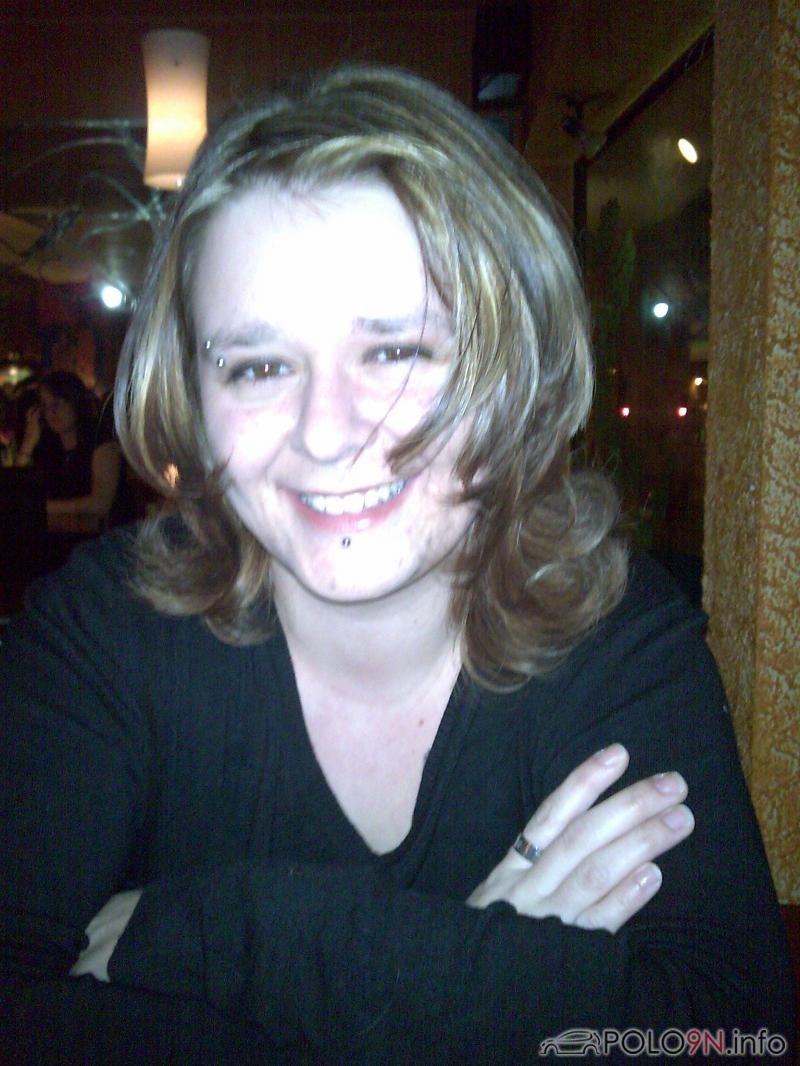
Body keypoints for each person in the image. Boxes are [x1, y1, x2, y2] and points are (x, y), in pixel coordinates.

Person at [0, 65, 793, 1064]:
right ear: (193, 398)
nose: (327, 433)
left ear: (508, 369)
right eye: (259, 366)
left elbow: (732, 1037)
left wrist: (227, 934)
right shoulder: (101, 633)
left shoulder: (615, 638)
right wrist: (477, 984)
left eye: (395, 353)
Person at [14, 370, 131, 566]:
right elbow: (15, 496)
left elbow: (100, 505)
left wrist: (42, 507)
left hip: (101, 547)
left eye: (57, 403)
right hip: (57, 542)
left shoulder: (101, 441)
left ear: (74, 401)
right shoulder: (48, 446)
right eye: (44, 406)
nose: (51, 412)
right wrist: (27, 444)